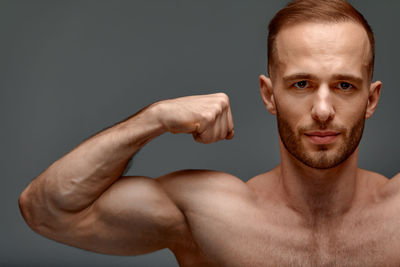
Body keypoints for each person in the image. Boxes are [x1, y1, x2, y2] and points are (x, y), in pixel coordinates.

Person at [18, 0, 400, 266]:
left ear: (371, 98)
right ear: (269, 95)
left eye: (344, 86)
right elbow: (45, 210)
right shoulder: (212, 215)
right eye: (301, 84)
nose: (321, 109)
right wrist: (153, 118)